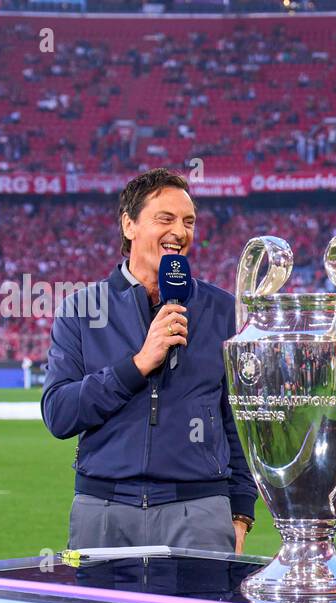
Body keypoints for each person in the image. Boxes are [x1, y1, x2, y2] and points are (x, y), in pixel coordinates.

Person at [41, 168, 256, 552]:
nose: (180, 231)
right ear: (129, 225)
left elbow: (238, 422)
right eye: (166, 219)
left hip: (200, 509)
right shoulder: (81, 308)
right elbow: (59, 414)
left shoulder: (224, 310)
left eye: (188, 221)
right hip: (103, 509)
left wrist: (241, 511)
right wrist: (136, 366)